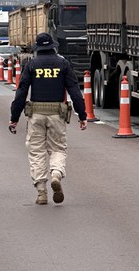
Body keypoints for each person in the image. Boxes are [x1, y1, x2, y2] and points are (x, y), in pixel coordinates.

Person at [9, 32, 87, 205]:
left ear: (38, 48)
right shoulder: (63, 64)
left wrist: (14, 117)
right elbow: (75, 91)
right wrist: (82, 115)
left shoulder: (31, 65)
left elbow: (21, 92)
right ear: (53, 46)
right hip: (57, 114)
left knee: (37, 152)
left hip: (36, 114)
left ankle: (41, 193)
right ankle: (56, 174)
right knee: (58, 149)